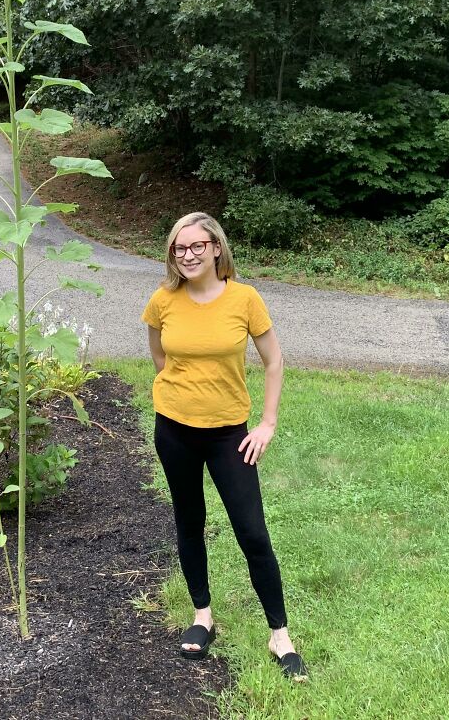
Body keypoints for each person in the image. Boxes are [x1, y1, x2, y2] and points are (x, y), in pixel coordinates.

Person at [141, 211, 308, 681]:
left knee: (252, 531)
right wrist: (180, 394)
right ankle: (203, 616)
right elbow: (160, 356)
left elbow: (274, 361)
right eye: (179, 248)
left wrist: (267, 424)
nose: (188, 255)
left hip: (229, 435)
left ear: (216, 248)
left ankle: (280, 635)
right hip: (174, 430)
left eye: (197, 246)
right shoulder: (163, 300)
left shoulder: (244, 299)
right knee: (189, 521)